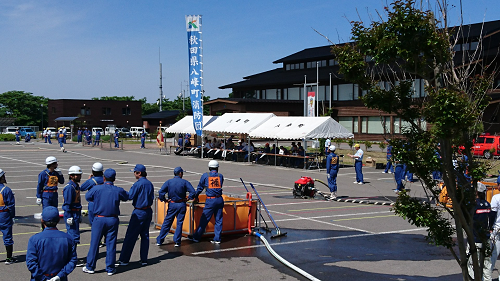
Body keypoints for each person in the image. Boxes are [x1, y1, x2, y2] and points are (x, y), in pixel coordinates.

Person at [83, 169, 128, 276]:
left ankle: (90, 266)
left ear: (104, 178)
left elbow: (88, 197)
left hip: (99, 218)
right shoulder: (117, 190)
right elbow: (126, 197)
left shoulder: (97, 188)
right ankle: (110, 268)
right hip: (112, 219)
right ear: (114, 179)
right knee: (111, 244)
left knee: (95, 243)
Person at [116, 164, 154, 266]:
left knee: (131, 236)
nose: (134, 174)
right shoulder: (150, 184)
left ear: (139, 173)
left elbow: (130, 196)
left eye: (135, 172)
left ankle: (124, 259)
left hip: (139, 211)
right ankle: (144, 259)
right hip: (148, 211)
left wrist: (120, 192)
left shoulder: (138, 184)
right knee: (145, 235)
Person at [26, 206, 77, 281]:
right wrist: (59, 276)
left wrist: (42, 278)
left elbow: (31, 263)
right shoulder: (68, 238)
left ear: (42, 220)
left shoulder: (34, 239)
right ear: (58, 220)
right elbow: (72, 260)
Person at [156, 167, 196, 247]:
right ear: (180, 173)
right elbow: (193, 192)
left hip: (172, 204)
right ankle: (177, 241)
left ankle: (160, 240)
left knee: (167, 222)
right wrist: (188, 198)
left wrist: (164, 199)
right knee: (179, 223)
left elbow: (161, 192)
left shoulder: (169, 182)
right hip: (181, 204)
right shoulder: (184, 182)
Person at [191, 160, 224, 243]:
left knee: (204, 219)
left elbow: (200, 188)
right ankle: (217, 238)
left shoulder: (205, 175)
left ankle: (197, 237)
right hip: (219, 199)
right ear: (217, 168)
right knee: (219, 220)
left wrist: (195, 195)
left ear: (209, 167)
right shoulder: (220, 176)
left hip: (211, 200)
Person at [467, 182, 494, 281]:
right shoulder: (487, 204)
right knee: (487, 265)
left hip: (475, 239)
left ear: (476, 192)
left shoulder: (473, 205)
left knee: (472, 264)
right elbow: (491, 220)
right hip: (486, 239)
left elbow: (467, 220)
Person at [62, 166, 83, 245]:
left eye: (79, 175)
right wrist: (69, 216)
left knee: (75, 235)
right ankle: (72, 257)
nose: (79, 176)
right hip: (72, 213)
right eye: (77, 175)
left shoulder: (75, 186)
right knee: (73, 237)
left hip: (76, 213)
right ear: (71, 176)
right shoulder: (70, 188)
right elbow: (67, 203)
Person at [0, 169, 16, 264]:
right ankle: (9, 258)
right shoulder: (6, 190)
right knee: (7, 235)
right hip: (4, 215)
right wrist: (12, 216)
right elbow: (11, 205)